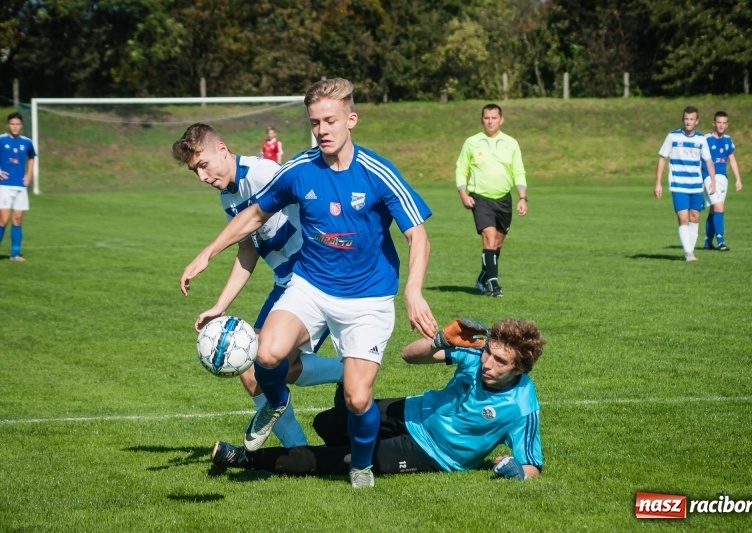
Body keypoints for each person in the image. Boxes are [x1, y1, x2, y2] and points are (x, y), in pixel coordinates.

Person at [180, 78, 437, 488]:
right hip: (310, 287)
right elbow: (255, 216)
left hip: (368, 299)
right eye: (315, 122)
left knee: (356, 398)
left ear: (350, 119)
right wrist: (208, 253)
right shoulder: (298, 170)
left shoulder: (377, 172)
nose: (323, 130)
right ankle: (274, 406)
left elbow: (417, 235)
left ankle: (361, 465)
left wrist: (413, 290)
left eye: (331, 120)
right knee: (266, 354)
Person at [171, 123, 343, 448]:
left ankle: (350, 371)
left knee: (272, 365)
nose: (202, 177)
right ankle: (299, 454)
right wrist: (220, 307)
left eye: (203, 165)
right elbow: (247, 250)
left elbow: (301, 210)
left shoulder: (263, 173)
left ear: (222, 149)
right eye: (195, 171)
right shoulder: (228, 196)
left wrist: (207, 253)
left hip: (314, 279)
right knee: (252, 377)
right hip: (285, 284)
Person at [209, 317, 546, 482]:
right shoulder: (475, 356)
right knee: (326, 423)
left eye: (500, 362)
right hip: (413, 411)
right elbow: (408, 355)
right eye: (489, 353)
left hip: (435, 452)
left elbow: (532, 464)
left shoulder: (521, 406)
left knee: (344, 460)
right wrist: (440, 339)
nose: (487, 363)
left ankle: (246, 459)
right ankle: (345, 379)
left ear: (520, 369)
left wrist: (517, 471)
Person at [455, 104, 528, 298]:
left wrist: (522, 197)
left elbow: (518, 171)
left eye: (494, 118)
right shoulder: (472, 142)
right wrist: (463, 194)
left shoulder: (511, 143)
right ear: (482, 120)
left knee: (497, 244)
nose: (490, 121)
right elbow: (461, 169)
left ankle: (483, 276)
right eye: (486, 118)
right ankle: (493, 284)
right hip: (480, 198)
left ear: (501, 120)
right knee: (489, 237)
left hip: (504, 199)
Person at [654, 106, 716, 262]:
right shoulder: (673, 137)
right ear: (683, 120)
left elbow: (709, 161)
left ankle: (690, 251)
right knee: (683, 218)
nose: (688, 122)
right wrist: (658, 183)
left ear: (697, 121)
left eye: (691, 119)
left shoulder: (701, 139)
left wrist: (713, 181)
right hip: (678, 184)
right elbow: (662, 158)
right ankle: (689, 254)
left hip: (696, 185)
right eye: (686, 119)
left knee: (694, 217)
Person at [702, 111, 743, 252]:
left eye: (724, 123)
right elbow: (698, 160)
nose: (721, 125)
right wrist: (700, 179)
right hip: (709, 177)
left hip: (723, 178)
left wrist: (738, 178)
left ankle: (708, 241)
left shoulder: (728, 140)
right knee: (719, 207)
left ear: (727, 124)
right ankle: (721, 241)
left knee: (714, 209)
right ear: (714, 123)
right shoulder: (705, 139)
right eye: (719, 122)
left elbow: (732, 159)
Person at [0, 112, 37, 261]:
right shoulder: (1, 139)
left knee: (18, 219)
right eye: (12, 124)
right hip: (4, 186)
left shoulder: (27, 142)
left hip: (20, 186)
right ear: (8, 125)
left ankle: (15, 254)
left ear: (21, 126)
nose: (15, 127)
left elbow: (32, 157)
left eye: (17, 124)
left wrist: (28, 175)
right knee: (3, 220)